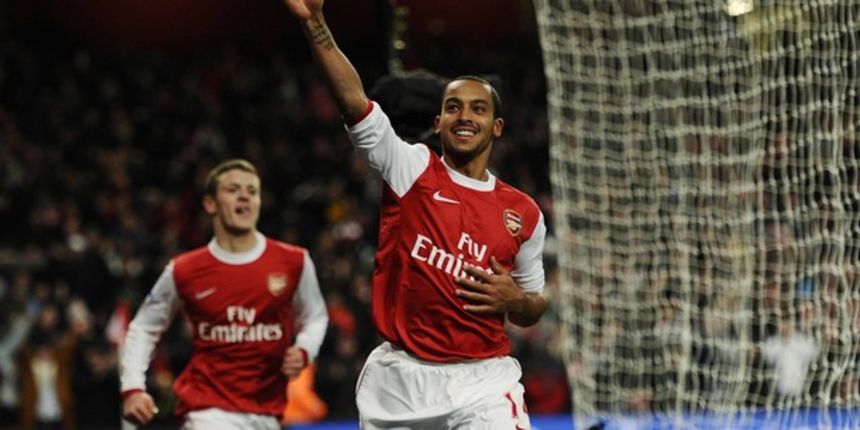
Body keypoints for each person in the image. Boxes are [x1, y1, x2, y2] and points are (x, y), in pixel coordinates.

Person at [285, 2, 549, 428]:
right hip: (400, 385)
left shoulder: (524, 214)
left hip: (483, 382)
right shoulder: (410, 169)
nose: (465, 116)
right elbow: (354, 102)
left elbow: (534, 304)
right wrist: (316, 25)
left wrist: (517, 300)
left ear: (497, 126)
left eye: (478, 109)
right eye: (454, 107)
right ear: (439, 120)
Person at [119, 159, 328, 429]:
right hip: (206, 412)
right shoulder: (184, 270)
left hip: (268, 413)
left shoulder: (294, 262)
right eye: (233, 189)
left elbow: (315, 317)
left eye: (252, 191)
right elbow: (144, 328)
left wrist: (304, 350)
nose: (245, 196)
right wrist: (133, 387)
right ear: (210, 204)